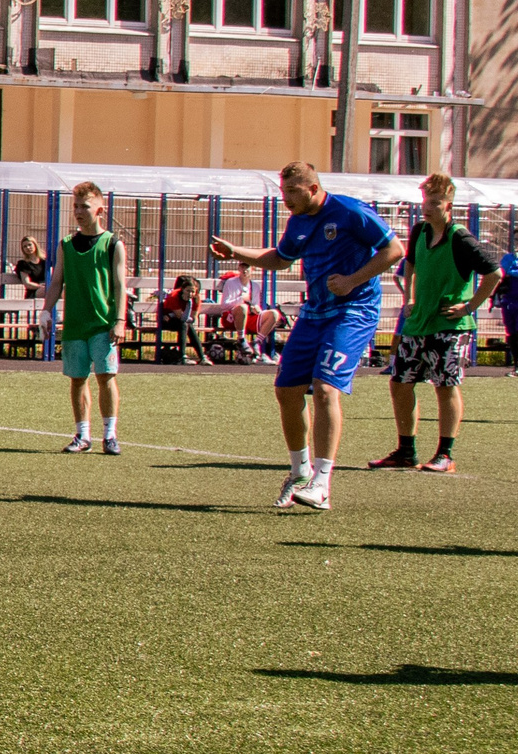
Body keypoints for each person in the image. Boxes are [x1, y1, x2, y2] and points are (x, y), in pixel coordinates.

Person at [208, 160, 404, 510]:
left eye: (292, 193)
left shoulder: (350, 211)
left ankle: (322, 482)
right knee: (286, 390)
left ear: (313, 189)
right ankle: (300, 472)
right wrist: (236, 252)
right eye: (283, 193)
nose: (286, 200)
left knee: (326, 388)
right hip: (314, 312)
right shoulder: (298, 220)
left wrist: (351, 281)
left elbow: (394, 251)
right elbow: (281, 258)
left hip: (353, 311)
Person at [369, 172, 503, 473]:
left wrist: (469, 306)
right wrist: (409, 299)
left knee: (445, 386)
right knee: (400, 383)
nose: (427, 208)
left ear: (449, 205)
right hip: (418, 324)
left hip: (449, 326)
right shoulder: (419, 232)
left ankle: (445, 454)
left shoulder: (461, 238)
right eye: (424, 201)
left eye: (434, 202)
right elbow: (410, 266)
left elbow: (494, 274)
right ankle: (406, 451)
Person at [44, 181, 127, 454]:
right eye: (76, 207)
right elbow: (57, 281)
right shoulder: (66, 244)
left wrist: (119, 320)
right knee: (78, 379)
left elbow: (119, 285)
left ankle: (110, 435)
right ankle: (82, 435)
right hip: (75, 325)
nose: (79, 212)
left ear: (100, 209)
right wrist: (46, 310)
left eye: (85, 207)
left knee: (106, 376)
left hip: (103, 324)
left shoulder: (113, 243)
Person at [156, 274, 208, 365]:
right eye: (188, 291)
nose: (190, 294)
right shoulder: (174, 296)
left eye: (193, 292)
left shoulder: (196, 298)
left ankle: (202, 357)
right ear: (182, 289)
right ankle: (182, 356)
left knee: (187, 325)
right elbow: (182, 317)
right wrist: (189, 305)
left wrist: (190, 303)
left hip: (182, 321)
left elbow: (193, 318)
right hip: (167, 320)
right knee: (184, 324)